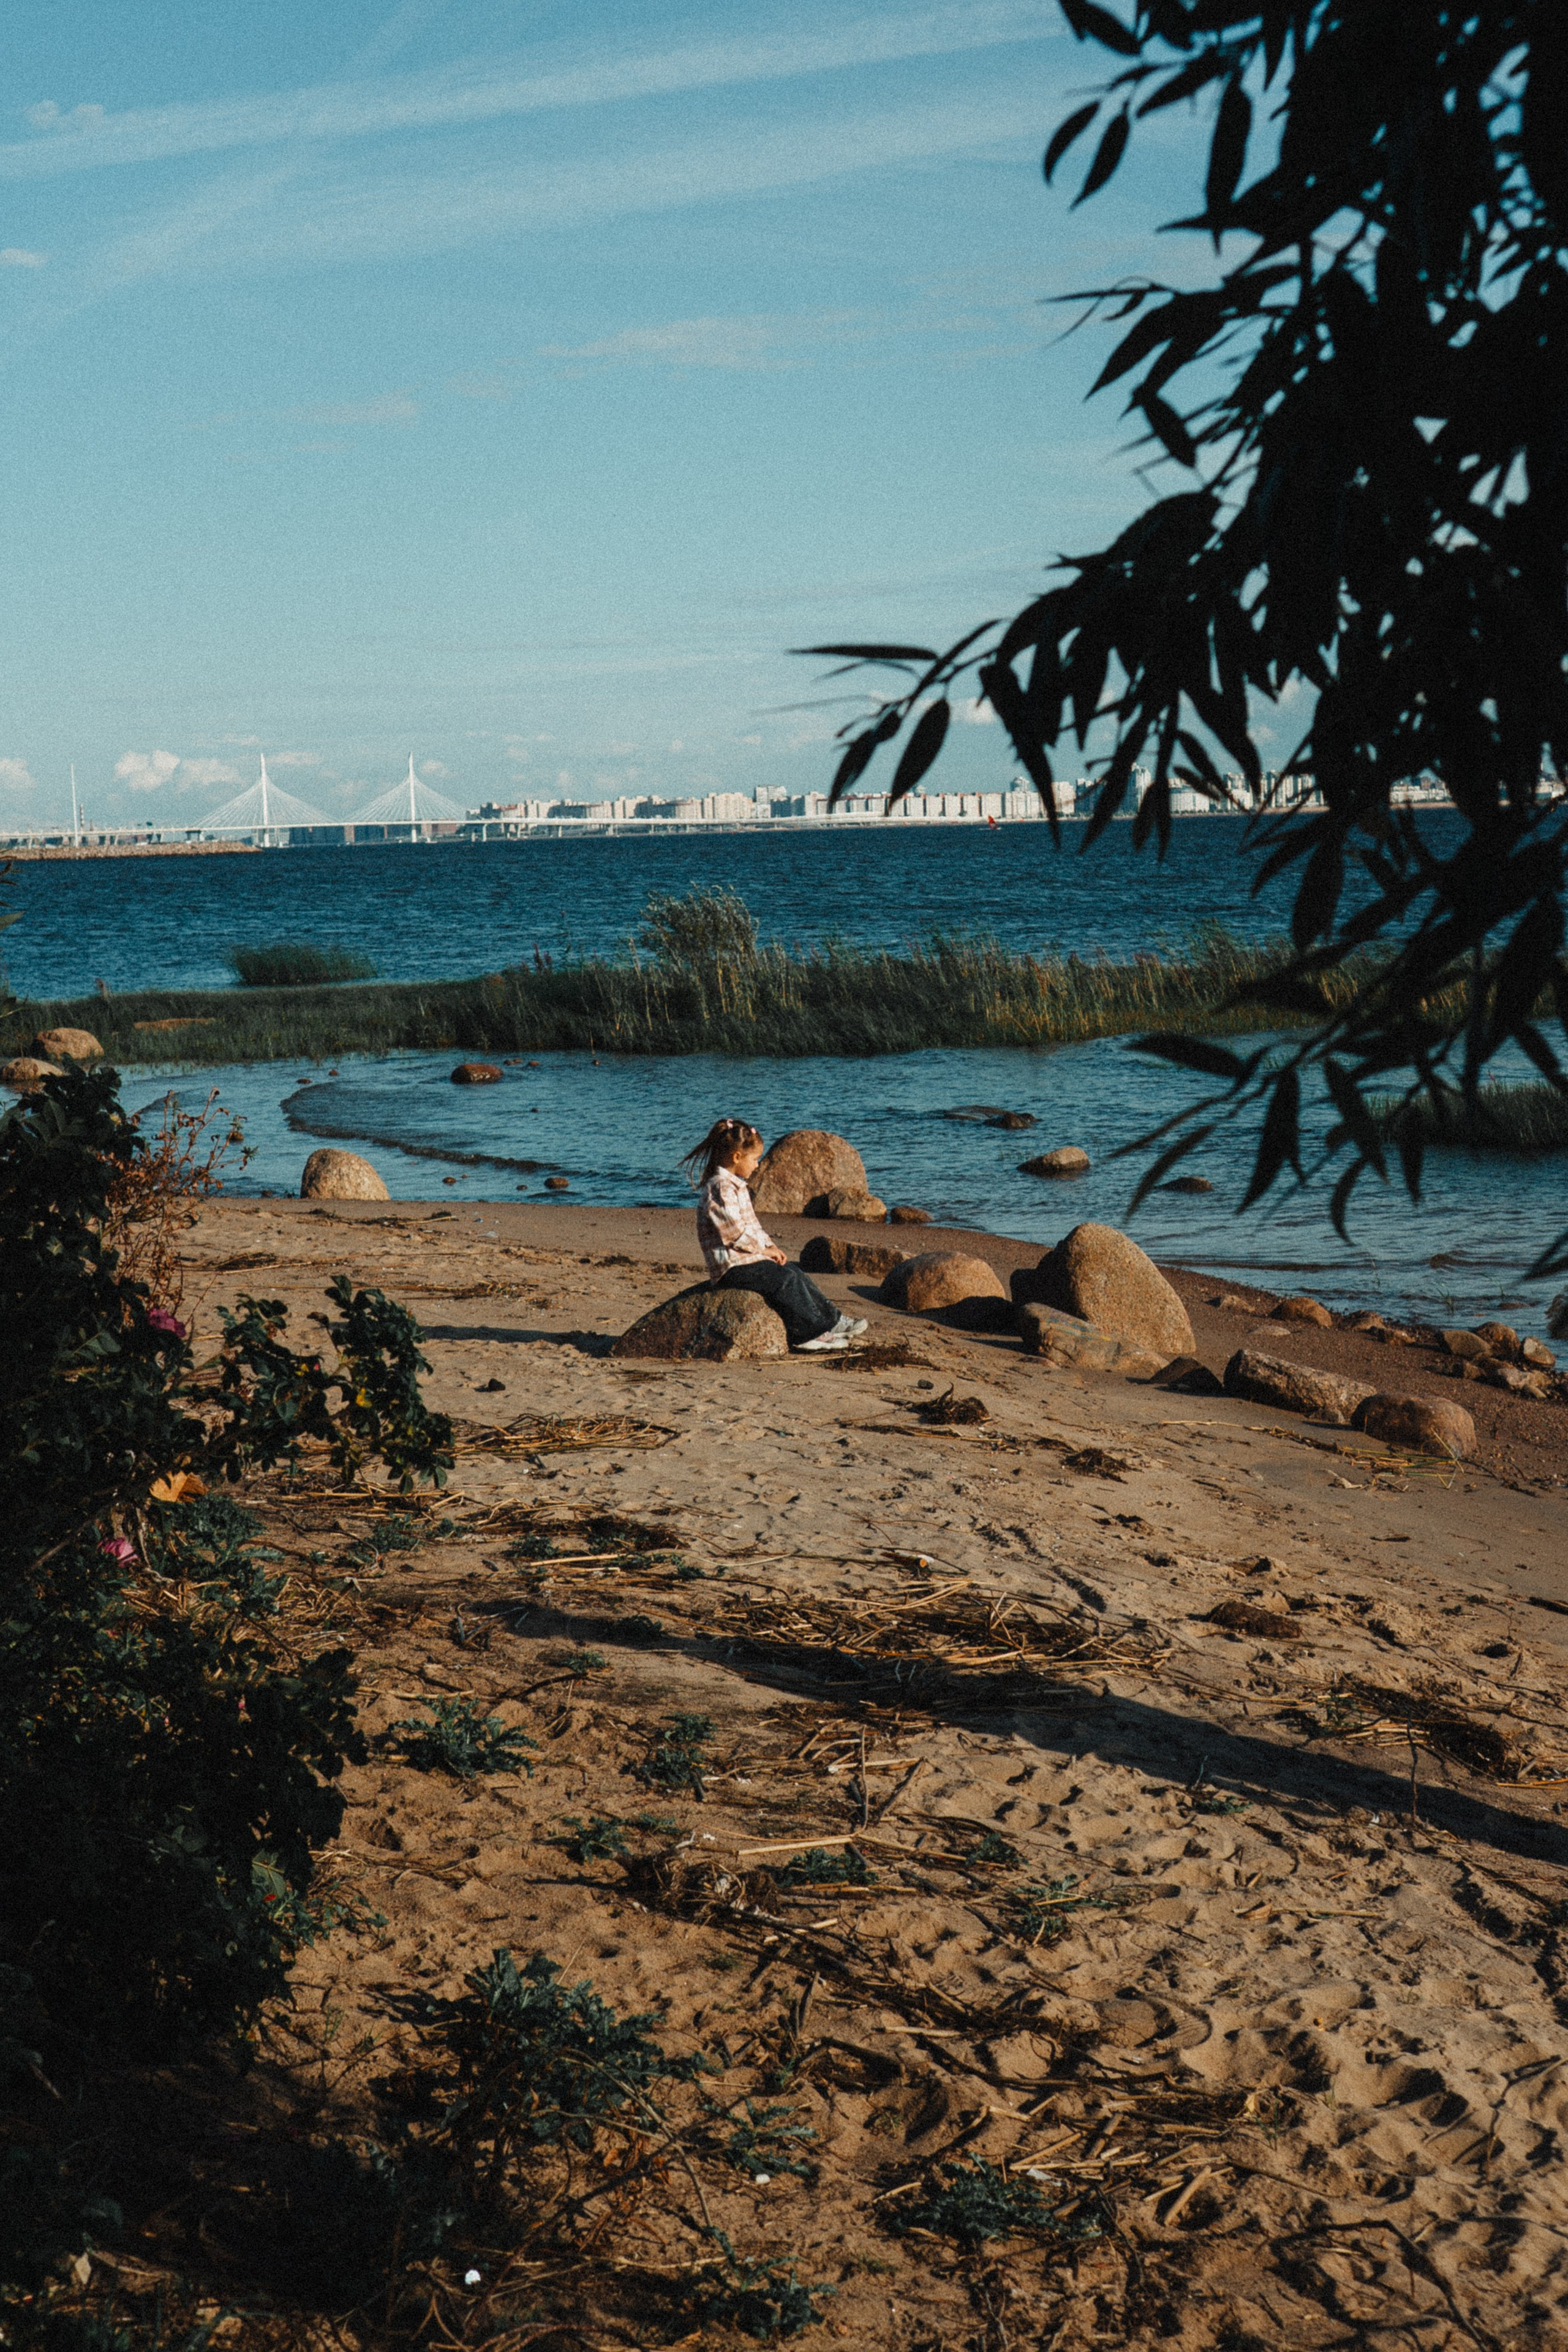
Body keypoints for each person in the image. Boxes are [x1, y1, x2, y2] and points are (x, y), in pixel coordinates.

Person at [681, 1117, 868, 1354]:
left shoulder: (735, 1186)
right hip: (731, 1267)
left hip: (747, 1259)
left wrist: (771, 1247)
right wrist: (764, 1250)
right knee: (784, 1281)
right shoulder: (719, 1188)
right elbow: (735, 1234)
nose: (757, 1165)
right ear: (737, 1157)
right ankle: (808, 1334)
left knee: (793, 1272)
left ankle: (832, 1320)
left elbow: (753, 1227)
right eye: (754, 1159)